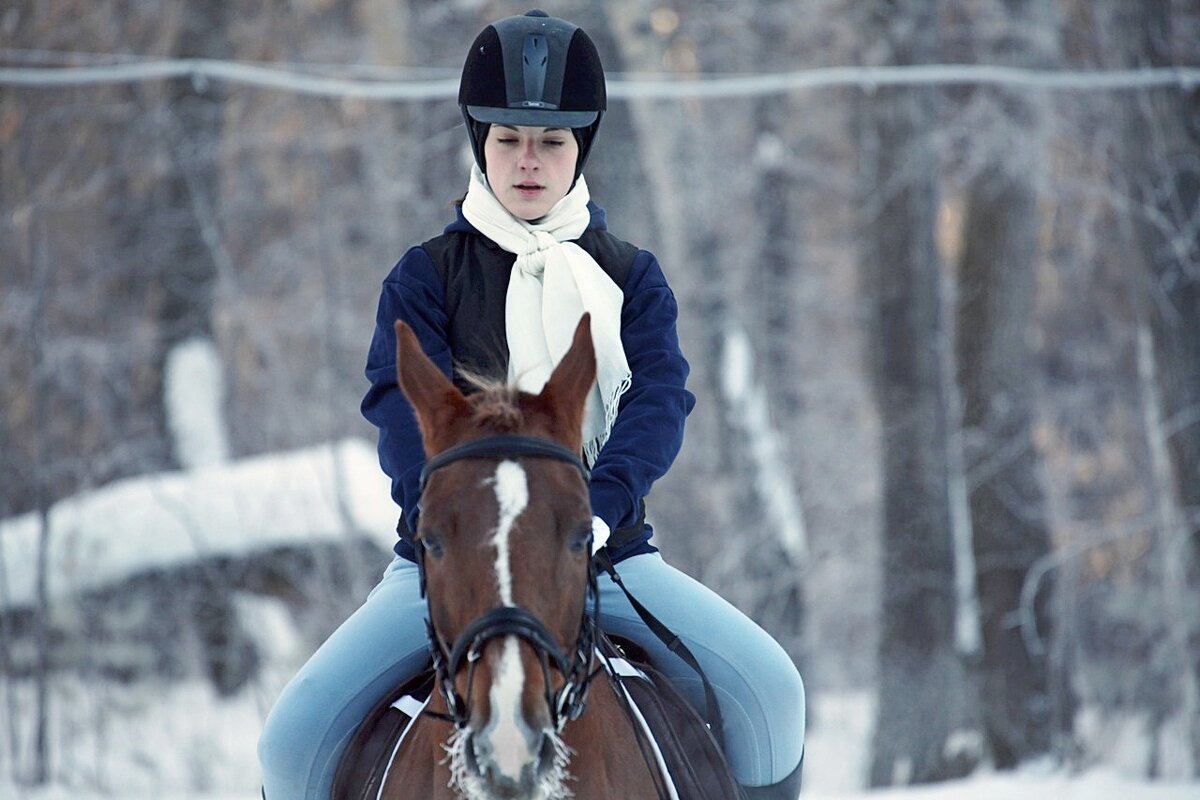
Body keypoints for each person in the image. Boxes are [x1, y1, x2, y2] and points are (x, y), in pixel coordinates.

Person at [257, 10, 805, 799]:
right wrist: (448, 524)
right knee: (291, 745)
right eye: (509, 138)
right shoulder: (425, 277)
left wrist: (603, 510)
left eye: (551, 142)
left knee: (772, 695)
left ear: (581, 149)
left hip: (603, 555)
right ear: (479, 142)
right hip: (450, 563)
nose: (528, 161)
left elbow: (660, 400)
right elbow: (397, 407)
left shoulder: (632, 277)